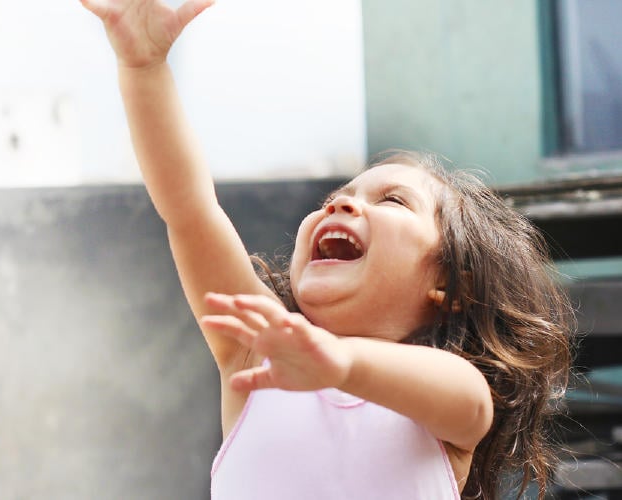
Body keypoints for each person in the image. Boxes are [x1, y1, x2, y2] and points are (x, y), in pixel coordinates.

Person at [80, 1, 575, 498]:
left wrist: (340, 364)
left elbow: (472, 405)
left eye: (392, 201)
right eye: (334, 199)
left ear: (450, 284)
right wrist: (144, 71)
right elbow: (189, 209)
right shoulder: (253, 353)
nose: (340, 205)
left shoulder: (447, 395)